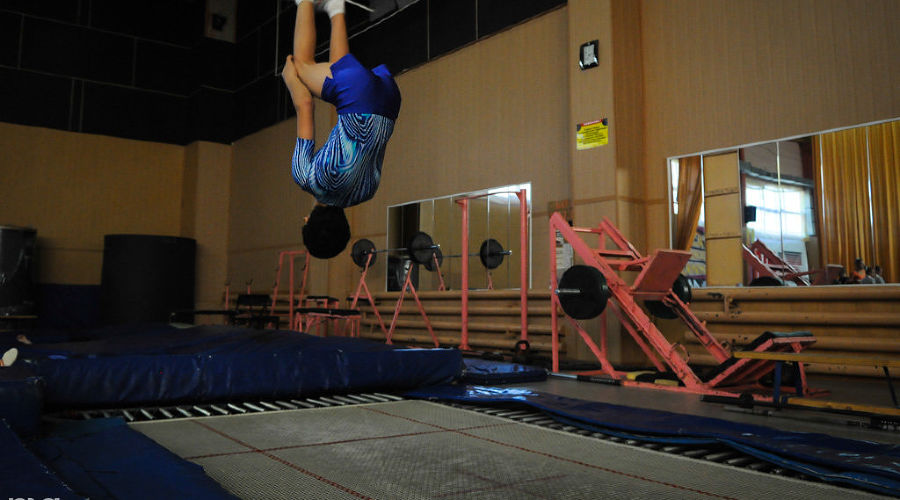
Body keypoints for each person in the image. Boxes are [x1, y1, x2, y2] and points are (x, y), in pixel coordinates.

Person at [282, 0, 402, 259]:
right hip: (358, 98)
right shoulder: (307, 179)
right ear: (307, 220)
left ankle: (335, 8)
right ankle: (305, 2)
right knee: (303, 66)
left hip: (389, 103)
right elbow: (305, 105)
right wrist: (291, 79)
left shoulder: (366, 193)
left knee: (338, 77)